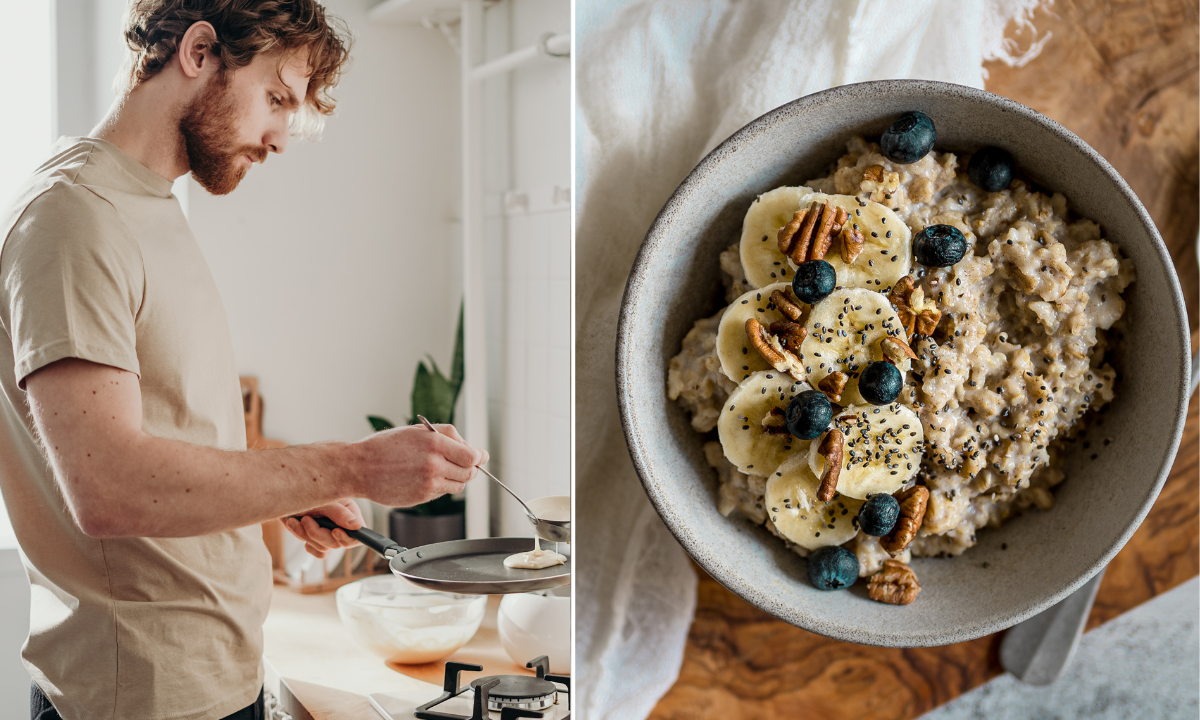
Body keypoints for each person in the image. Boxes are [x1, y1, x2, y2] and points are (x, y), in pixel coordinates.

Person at [0, 2, 488, 718]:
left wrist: (287, 489)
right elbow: (107, 486)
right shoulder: (74, 219)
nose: (281, 137)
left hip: (211, 679)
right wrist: (350, 466)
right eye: (276, 98)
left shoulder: (146, 204)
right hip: (143, 699)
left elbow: (172, 434)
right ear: (198, 53)